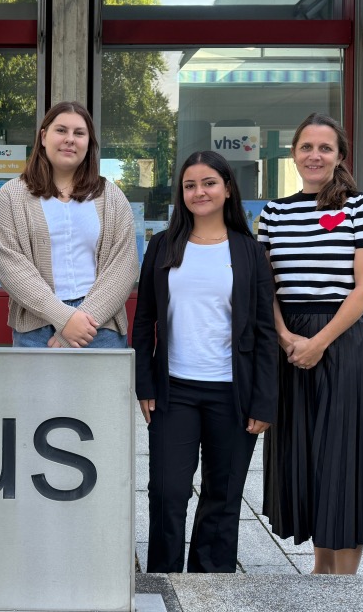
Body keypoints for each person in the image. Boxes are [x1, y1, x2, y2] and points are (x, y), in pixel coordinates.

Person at [259, 112, 363, 575]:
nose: (314, 155)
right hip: (290, 341)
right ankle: (321, 568)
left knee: (345, 454)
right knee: (303, 453)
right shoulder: (274, 212)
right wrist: (284, 336)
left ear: (340, 156)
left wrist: (319, 341)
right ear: (293, 154)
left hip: (342, 340)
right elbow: (266, 286)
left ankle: (344, 580)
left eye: (325, 148)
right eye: (306, 147)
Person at [134, 150, 277, 573]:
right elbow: (144, 321)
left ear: (228, 188)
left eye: (209, 182)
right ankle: (162, 578)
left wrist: (264, 401)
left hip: (232, 393)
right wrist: (144, 384)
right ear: (181, 194)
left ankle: (210, 583)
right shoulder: (163, 245)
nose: (200, 191)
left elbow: (265, 332)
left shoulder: (249, 252)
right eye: (190, 185)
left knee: (223, 493)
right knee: (167, 490)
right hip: (174, 390)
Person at [0, 102, 137, 348]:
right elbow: (10, 267)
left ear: (89, 143)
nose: (70, 139)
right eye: (61, 131)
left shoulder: (111, 196)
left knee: (102, 389)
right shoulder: (11, 196)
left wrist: (80, 323)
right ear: (44, 137)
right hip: (37, 330)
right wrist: (64, 319)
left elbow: (124, 267)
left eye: (79, 133)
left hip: (100, 327)